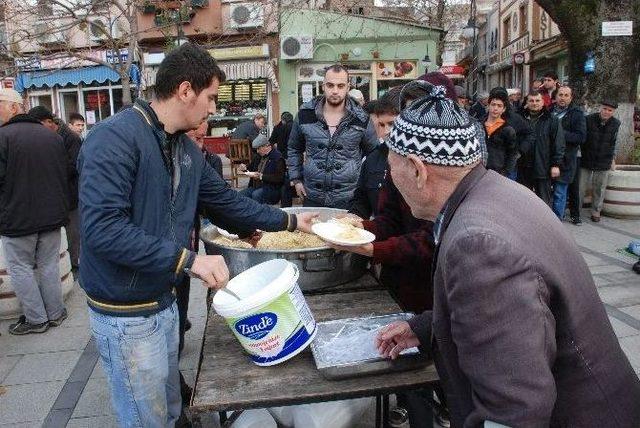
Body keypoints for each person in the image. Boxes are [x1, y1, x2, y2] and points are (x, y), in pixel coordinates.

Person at [77, 43, 316, 427]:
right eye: (210, 97)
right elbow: (103, 230)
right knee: (145, 419)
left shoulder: (185, 150)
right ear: (185, 90)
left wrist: (291, 221)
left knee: (170, 409)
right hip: (126, 314)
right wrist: (189, 260)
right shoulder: (114, 139)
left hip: (163, 300)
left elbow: (226, 202)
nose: (212, 109)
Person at [375, 84, 640, 427]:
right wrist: (426, 328)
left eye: (391, 166)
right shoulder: (495, 192)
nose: (390, 178)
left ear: (416, 169)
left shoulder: (478, 245)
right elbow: (512, 316)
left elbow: (514, 410)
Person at [0, 88, 70, 335]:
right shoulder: (51, 136)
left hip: (17, 219)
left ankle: (36, 319)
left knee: (20, 268)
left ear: (13, 107)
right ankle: (55, 313)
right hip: (52, 216)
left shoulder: (3, 137)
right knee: (48, 265)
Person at [288, 64, 378, 209]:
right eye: (330, 85)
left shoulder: (361, 118)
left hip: (348, 197)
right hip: (312, 195)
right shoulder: (305, 114)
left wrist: (366, 188)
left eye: (340, 86)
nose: (335, 91)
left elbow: (374, 154)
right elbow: (294, 148)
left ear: (348, 87)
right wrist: (296, 179)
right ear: (323, 86)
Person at [29, 106, 82, 268]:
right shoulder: (41, 138)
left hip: (70, 195)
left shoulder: (70, 138)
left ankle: (75, 264)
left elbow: (76, 165)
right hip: (50, 196)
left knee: (72, 233)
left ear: (49, 122)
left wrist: (52, 169)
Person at [349, 95, 398, 219]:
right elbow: (361, 199)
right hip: (379, 232)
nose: (386, 131)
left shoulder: (419, 161)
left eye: (392, 124)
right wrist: (353, 218)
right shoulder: (372, 159)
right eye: (381, 125)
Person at [520, 90, 565, 206]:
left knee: (543, 201)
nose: (534, 103)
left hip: (543, 166)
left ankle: (544, 223)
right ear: (527, 102)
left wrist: (556, 164)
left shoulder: (552, 119)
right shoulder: (520, 118)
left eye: (537, 100)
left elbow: (558, 143)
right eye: (531, 100)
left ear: (543, 102)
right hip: (523, 166)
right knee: (523, 199)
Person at [579, 100, 621, 222]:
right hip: (587, 158)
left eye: (610, 110)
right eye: (604, 109)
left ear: (613, 112)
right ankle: (576, 209)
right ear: (600, 108)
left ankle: (596, 211)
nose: (606, 112)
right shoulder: (588, 119)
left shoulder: (616, 124)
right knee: (580, 187)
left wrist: (613, 158)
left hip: (604, 159)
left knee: (599, 188)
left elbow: (615, 142)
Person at [551, 86, 586, 222]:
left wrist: (559, 134)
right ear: (555, 96)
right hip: (548, 158)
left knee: (560, 192)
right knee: (547, 191)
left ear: (571, 98)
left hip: (566, 159)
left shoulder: (577, 114)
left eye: (566, 95)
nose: (563, 98)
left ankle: (556, 222)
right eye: (560, 95)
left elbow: (581, 137)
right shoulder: (549, 111)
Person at [239, 134, 285, 204]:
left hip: (271, 189)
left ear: (266, 146)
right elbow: (250, 169)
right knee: (240, 195)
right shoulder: (258, 156)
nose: (257, 151)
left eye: (258, 149)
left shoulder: (277, 157)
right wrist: (244, 168)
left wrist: (261, 176)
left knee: (256, 194)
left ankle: (258, 213)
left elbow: (279, 178)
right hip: (256, 187)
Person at [483, 91, 518, 177]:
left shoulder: (508, 130)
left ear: (504, 109)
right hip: (480, 172)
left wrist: (505, 172)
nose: (495, 108)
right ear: (488, 106)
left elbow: (512, 154)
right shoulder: (479, 126)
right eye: (493, 104)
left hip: (498, 172)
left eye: (499, 106)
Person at [269, 112, 294, 207]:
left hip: (282, 158)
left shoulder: (279, 128)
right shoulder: (297, 127)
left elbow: (271, 141)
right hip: (296, 158)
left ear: (282, 120)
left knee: (285, 182)